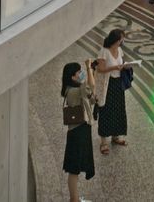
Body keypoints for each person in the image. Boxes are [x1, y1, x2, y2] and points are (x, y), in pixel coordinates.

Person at [92, 27, 137, 154]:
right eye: (121, 39)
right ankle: (103, 142)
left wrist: (125, 66)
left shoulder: (119, 50)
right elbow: (100, 69)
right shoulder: (104, 52)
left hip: (118, 84)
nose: (122, 41)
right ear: (115, 39)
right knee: (106, 111)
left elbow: (121, 63)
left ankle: (116, 136)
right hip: (108, 85)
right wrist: (114, 67)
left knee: (118, 110)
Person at [60, 61, 96, 202]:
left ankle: (74, 198)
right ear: (72, 77)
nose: (81, 74)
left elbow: (91, 97)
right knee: (74, 168)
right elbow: (91, 86)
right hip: (78, 131)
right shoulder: (74, 91)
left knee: (74, 166)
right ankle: (74, 200)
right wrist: (88, 68)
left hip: (80, 129)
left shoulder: (75, 89)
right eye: (79, 72)